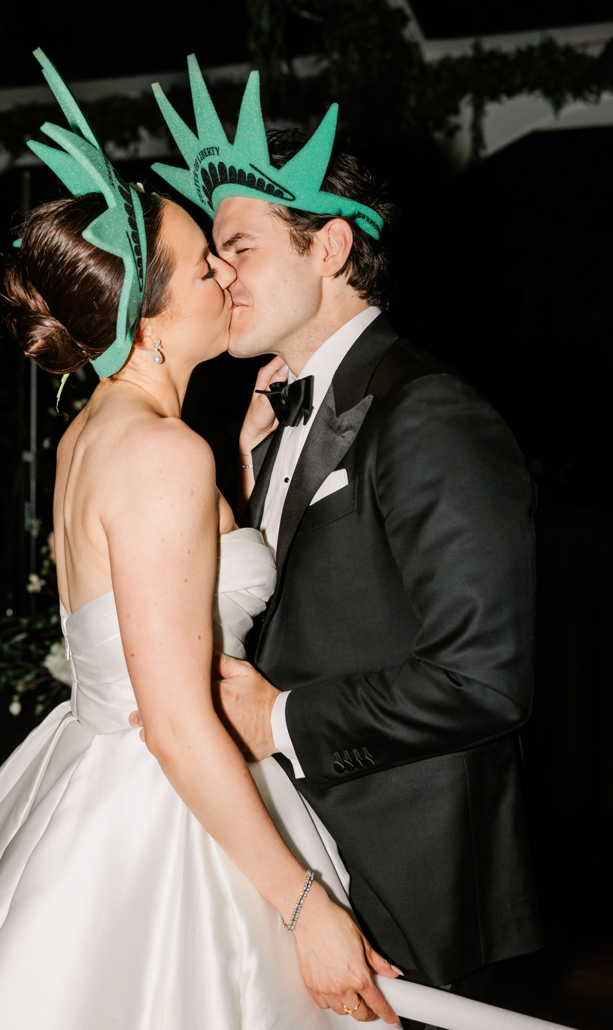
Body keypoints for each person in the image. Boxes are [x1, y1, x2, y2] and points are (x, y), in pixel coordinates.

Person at [0, 52, 402, 1029]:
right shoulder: (163, 452)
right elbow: (177, 723)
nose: (227, 271)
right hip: (165, 809)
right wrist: (302, 904)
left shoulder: (97, 429)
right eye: (205, 260)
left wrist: (238, 470)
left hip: (99, 773)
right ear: (150, 314)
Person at [147, 57, 544, 1030]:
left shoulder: (429, 413)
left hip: (407, 891)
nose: (218, 273)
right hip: (301, 867)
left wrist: (279, 719)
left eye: (236, 246)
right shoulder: (269, 417)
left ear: (327, 246)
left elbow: (484, 677)